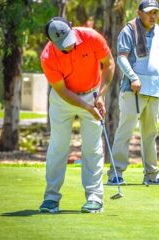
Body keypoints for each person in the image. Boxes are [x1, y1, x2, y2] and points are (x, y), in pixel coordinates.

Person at [39, 17, 115, 213]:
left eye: (68, 40)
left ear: (71, 28)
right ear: (51, 41)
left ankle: (94, 198)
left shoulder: (91, 37)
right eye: (61, 45)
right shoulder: (48, 56)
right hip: (62, 100)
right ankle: (51, 198)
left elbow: (109, 64)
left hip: (92, 92)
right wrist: (87, 107)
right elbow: (63, 92)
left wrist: (101, 95)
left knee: (92, 147)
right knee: (58, 146)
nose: (68, 47)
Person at [107, 0, 159, 186]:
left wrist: (158, 64)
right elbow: (121, 58)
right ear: (139, 13)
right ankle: (115, 173)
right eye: (149, 12)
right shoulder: (129, 30)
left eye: (155, 13)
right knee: (125, 132)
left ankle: (152, 175)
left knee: (150, 134)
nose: (153, 16)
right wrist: (133, 77)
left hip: (154, 89)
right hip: (133, 90)